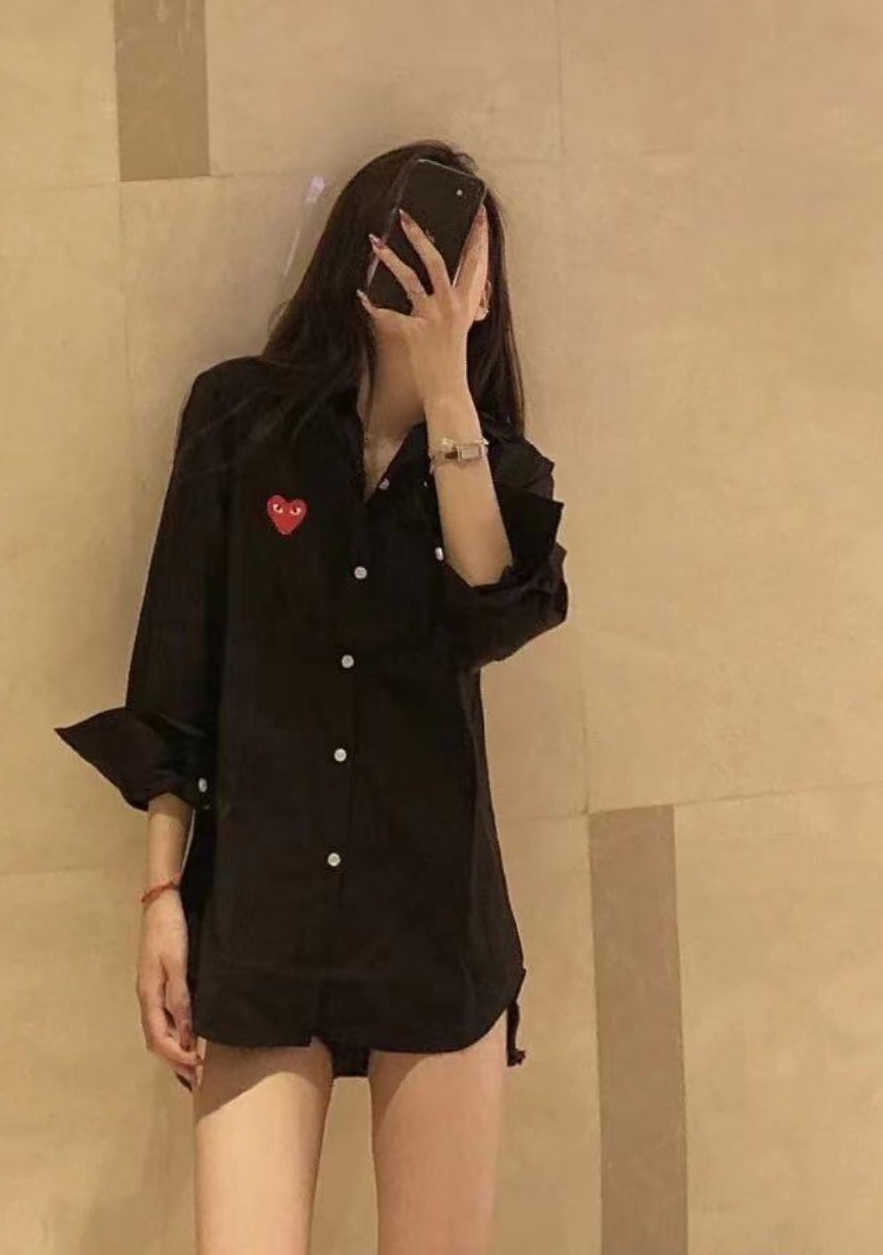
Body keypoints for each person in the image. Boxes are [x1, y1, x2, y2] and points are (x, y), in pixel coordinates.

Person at [54, 140, 570, 1255]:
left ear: (489, 292)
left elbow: (491, 611)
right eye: (413, 244)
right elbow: (176, 671)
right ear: (361, 252)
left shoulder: (495, 472)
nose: (437, 277)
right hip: (267, 909)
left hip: (432, 923)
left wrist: (445, 387)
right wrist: (161, 897)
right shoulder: (241, 421)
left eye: (463, 259)